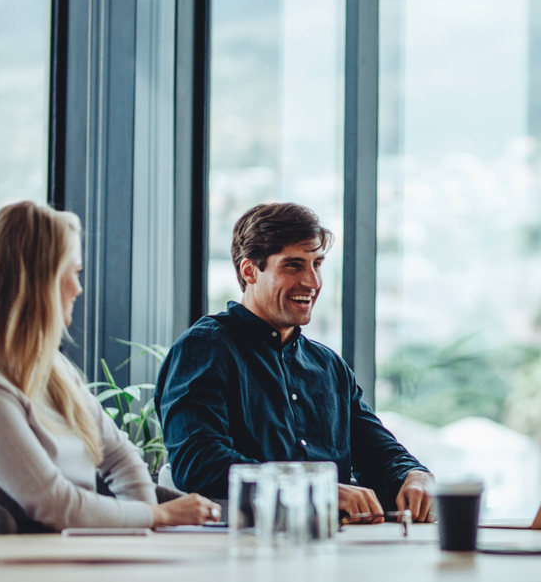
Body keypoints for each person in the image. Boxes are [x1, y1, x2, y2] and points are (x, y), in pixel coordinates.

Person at [0, 201, 219, 531]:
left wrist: (145, 528)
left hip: (77, 547)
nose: (78, 288)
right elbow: (53, 504)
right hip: (26, 562)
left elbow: (120, 456)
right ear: (39, 281)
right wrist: (159, 515)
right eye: (73, 273)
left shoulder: (51, 368)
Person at [156, 203, 435, 521]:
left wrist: (413, 474)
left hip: (334, 547)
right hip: (241, 550)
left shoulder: (328, 365)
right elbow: (198, 462)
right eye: (293, 266)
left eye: (317, 264)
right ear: (250, 271)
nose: (312, 282)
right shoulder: (205, 348)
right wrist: (314, 488)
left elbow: (376, 451)